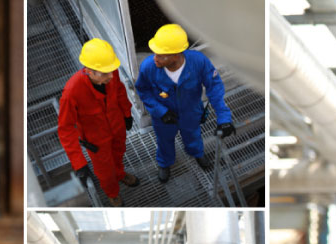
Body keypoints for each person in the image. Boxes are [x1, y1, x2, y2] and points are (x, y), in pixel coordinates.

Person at [134, 24, 236, 183]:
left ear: (176, 55)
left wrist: (224, 118)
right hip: (163, 118)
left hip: (191, 112)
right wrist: (160, 111)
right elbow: (143, 90)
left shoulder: (198, 62)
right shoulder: (149, 67)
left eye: (161, 55)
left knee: (193, 135)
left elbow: (214, 87)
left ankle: (197, 153)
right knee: (164, 141)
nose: (155, 58)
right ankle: (164, 163)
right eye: (155, 53)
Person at [58, 38, 139, 207]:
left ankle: (120, 174)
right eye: (104, 73)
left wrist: (126, 113)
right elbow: (65, 129)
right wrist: (79, 163)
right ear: (89, 71)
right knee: (105, 171)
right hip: (96, 141)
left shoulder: (110, 71)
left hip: (117, 128)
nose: (111, 76)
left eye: (111, 71)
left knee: (119, 154)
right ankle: (112, 193)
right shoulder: (72, 92)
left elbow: (119, 91)